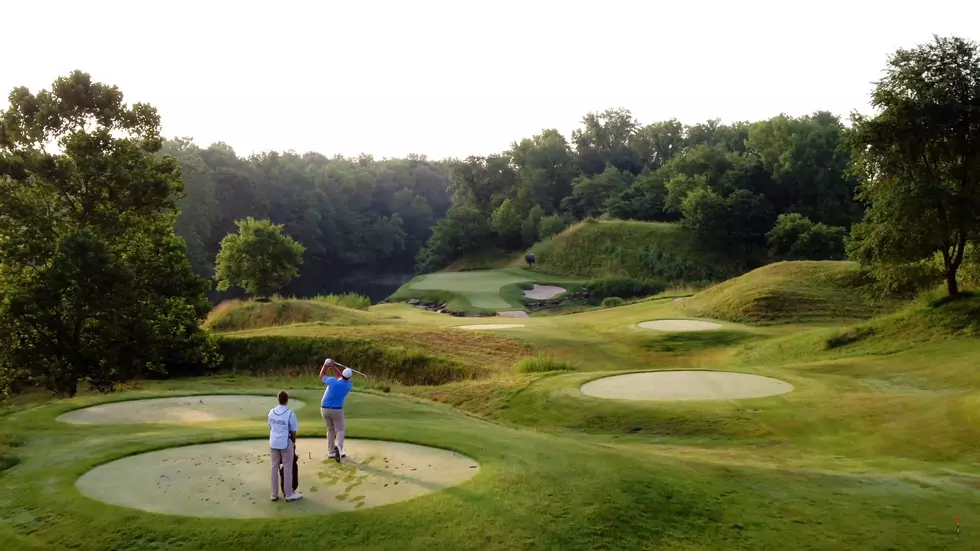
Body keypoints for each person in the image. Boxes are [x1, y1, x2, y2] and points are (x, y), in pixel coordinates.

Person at [268, 391, 302, 502]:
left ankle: (274, 494)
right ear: (287, 400)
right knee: (287, 468)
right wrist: (293, 443)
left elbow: (270, 426)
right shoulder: (290, 414)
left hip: (273, 443)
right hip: (285, 443)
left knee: (274, 467)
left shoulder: (271, 412)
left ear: (278, 399)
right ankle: (288, 494)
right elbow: (293, 432)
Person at [319, 358, 354, 462]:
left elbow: (321, 376)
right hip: (337, 410)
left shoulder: (332, 382)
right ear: (350, 377)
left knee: (330, 429)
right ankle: (339, 449)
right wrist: (333, 366)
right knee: (340, 430)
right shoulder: (349, 385)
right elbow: (341, 377)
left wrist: (326, 365)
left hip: (324, 409)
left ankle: (331, 452)